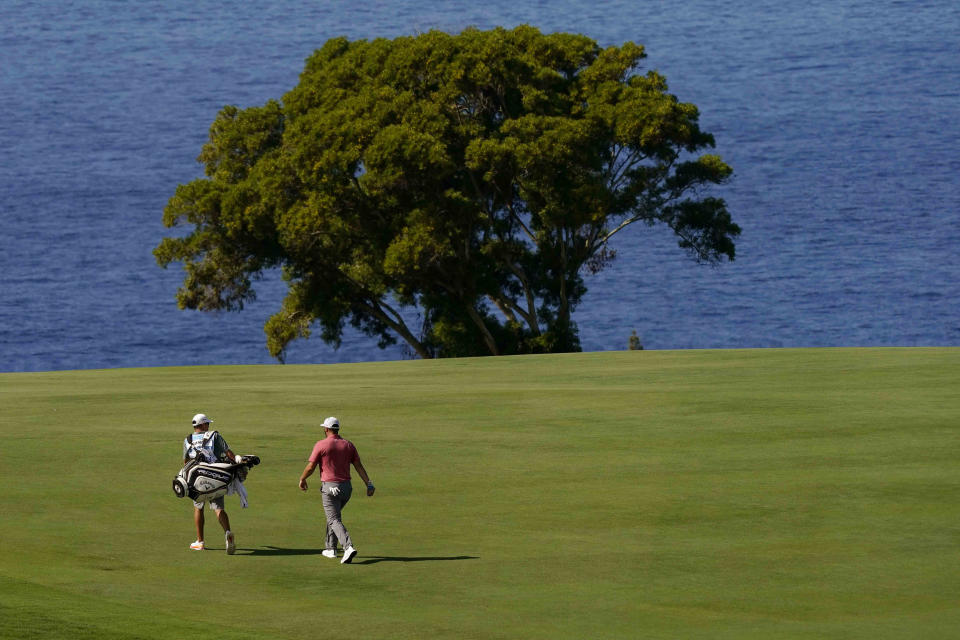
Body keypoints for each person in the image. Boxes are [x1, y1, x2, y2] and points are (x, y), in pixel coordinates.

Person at [298, 417, 375, 564]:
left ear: (326, 429)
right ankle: (331, 549)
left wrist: (302, 479)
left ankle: (348, 547)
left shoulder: (321, 444)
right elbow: (358, 466)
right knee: (333, 516)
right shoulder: (348, 445)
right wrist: (369, 484)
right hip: (347, 488)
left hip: (330, 487)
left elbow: (310, 467)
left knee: (333, 519)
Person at [183, 413, 237, 554]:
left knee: (198, 508)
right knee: (218, 509)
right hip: (215, 478)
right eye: (207, 424)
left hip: (196, 481)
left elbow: (186, 463)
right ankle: (228, 534)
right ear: (203, 425)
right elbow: (229, 453)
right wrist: (236, 465)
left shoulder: (187, 440)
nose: (209, 426)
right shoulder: (214, 436)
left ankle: (200, 542)